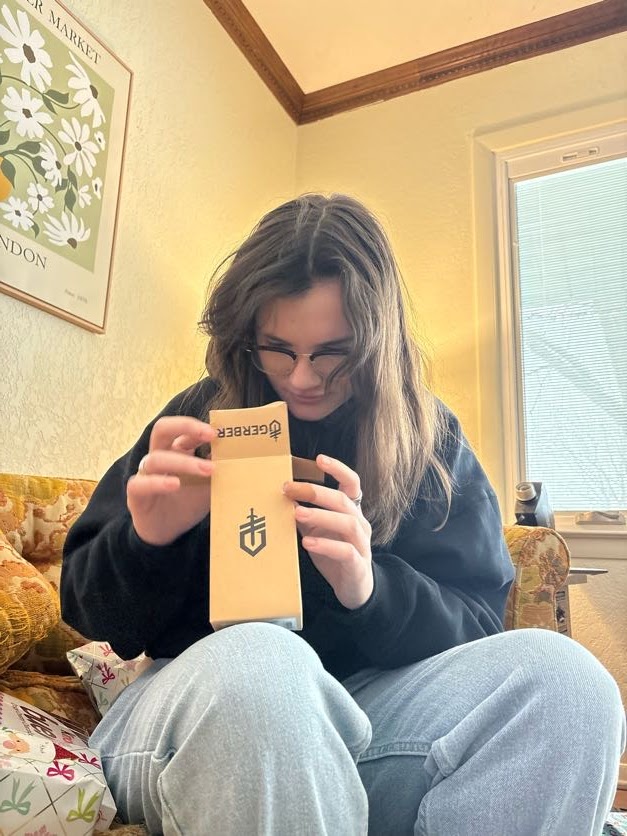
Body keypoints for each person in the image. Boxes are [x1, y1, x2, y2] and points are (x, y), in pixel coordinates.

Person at [60, 193, 625, 836]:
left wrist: (370, 589)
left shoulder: (428, 439)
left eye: (334, 353)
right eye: (277, 349)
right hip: (202, 706)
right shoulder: (200, 418)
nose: (303, 378)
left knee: (570, 685)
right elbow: (93, 617)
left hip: (371, 712)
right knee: (265, 667)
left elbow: (477, 623)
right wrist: (147, 542)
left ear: (379, 343)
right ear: (244, 336)